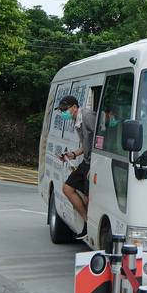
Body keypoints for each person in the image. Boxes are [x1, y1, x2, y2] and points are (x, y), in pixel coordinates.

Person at [56, 95, 96, 240]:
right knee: (67, 188)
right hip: (86, 161)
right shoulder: (76, 120)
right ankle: (86, 221)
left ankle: (90, 226)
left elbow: (101, 139)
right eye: (61, 110)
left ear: (74, 107)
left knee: (87, 198)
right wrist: (72, 154)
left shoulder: (87, 116)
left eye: (65, 109)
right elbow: (86, 145)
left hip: (94, 162)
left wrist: (97, 165)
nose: (63, 113)